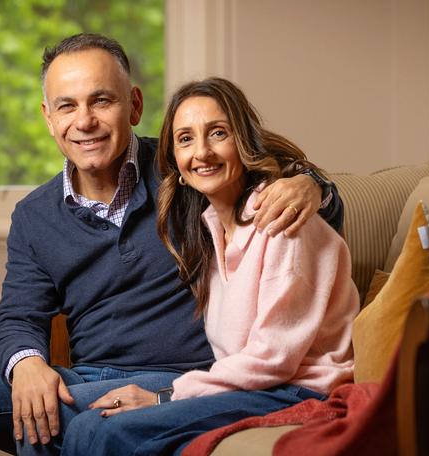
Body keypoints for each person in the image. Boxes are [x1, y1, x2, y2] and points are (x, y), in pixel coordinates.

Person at [0, 34, 344, 456]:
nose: (84, 121)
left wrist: (312, 185)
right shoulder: (35, 215)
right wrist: (27, 364)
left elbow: (260, 167)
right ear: (48, 117)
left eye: (102, 100)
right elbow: (16, 317)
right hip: (86, 374)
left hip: (178, 373)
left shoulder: (183, 168)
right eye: (67, 106)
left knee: (53, 421)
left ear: (136, 106)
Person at [58, 77, 359, 456]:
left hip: (295, 392)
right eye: (185, 139)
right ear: (178, 168)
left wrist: (167, 397)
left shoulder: (283, 222)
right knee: (91, 425)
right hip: (251, 388)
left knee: (100, 432)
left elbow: (273, 359)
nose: (202, 152)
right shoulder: (209, 232)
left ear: (243, 143)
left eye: (218, 133)